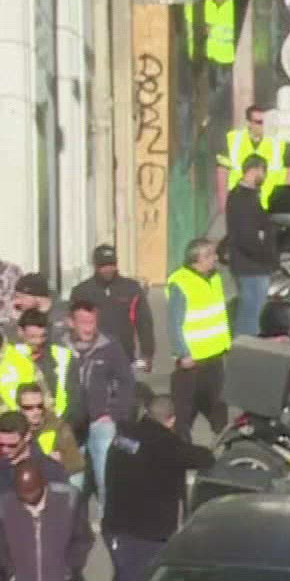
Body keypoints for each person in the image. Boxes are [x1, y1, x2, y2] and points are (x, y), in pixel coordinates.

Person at [101, 395, 213, 581]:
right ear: (171, 420)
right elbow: (203, 458)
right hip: (147, 534)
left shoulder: (124, 436)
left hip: (115, 526)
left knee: (126, 576)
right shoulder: (167, 445)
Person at [0, 457, 90, 581]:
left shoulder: (68, 500)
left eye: (32, 492)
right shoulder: (5, 507)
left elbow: (82, 539)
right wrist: (11, 577)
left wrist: (69, 570)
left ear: (43, 484)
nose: (28, 499)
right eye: (23, 495)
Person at [65, 298, 134, 505]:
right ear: (71, 322)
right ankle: (73, 520)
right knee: (73, 481)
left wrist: (113, 413)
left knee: (105, 480)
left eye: (92, 322)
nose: (88, 328)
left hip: (101, 421)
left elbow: (126, 381)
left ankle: (108, 522)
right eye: (83, 322)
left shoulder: (109, 346)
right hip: (70, 425)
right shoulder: (60, 347)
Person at [165, 237, 232, 439]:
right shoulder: (181, 283)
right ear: (197, 259)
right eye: (210, 255)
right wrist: (182, 353)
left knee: (219, 411)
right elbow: (174, 323)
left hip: (215, 357)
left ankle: (222, 446)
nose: (215, 258)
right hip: (192, 361)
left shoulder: (215, 277)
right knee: (184, 413)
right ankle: (181, 449)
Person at [68, 245, 154, 372]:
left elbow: (144, 323)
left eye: (111, 264)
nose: (108, 269)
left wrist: (147, 354)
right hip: (91, 356)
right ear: (95, 266)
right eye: (103, 266)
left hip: (124, 356)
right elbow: (72, 325)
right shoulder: (81, 291)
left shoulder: (131, 288)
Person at [223, 154, 276, 337]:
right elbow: (247, 238)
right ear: (254, 170)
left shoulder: (244, 195)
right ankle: (246, 348)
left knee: (249, 311)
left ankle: (245, 345)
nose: (265, 176)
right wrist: (266, 256)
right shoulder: (243, 199)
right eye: (263, 171)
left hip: (249, 265)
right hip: (252, 267)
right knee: (251, 315)